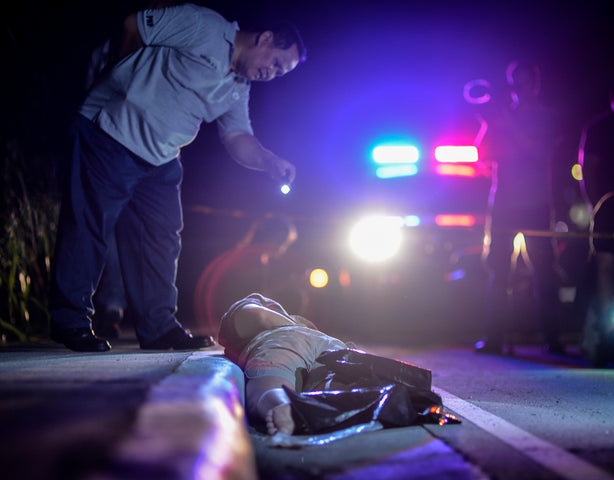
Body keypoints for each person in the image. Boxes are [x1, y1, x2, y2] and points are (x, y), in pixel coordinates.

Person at [49, 3, 306, 352]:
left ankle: (158, 329)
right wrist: (117, 79)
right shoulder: (204, 26)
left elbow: (236, 137)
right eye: (275, 63)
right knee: (89, 226)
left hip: (162, 158)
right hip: (111, 133)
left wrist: (268, 160)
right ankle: (70, 321)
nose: (271, 73)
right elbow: (134, 25)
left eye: (280, 73)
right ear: (264, 38)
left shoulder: (238, 86)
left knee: (161, 239)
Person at [218, 293, 450, 436]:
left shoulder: (280, 327)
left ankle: (281, 406)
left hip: (285, 341)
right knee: (344, 387)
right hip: (331, 346)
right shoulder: (247, 305)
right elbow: (259, 316)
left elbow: (260, 320)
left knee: (270, 385)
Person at [475, 61, 564, 355]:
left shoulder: (545, 116)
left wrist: (507, 123)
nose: (518, 89)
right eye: (515, 82)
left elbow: (538, 152)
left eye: (524, 82)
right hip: (504, 202)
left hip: (535, 202)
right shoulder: (504, 116)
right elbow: (482, 153)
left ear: (534, 85)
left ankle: (553, 337)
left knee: (544, 271)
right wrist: (491, 122)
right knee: (497, 270)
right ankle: (494, 338)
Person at [578, 79, 614, 365]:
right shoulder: (599, 127)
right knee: (604, 266)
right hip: (608, 206)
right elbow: (587, 170)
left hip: (605, 206)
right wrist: (595, 206)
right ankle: (606, 335)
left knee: (605, 268)